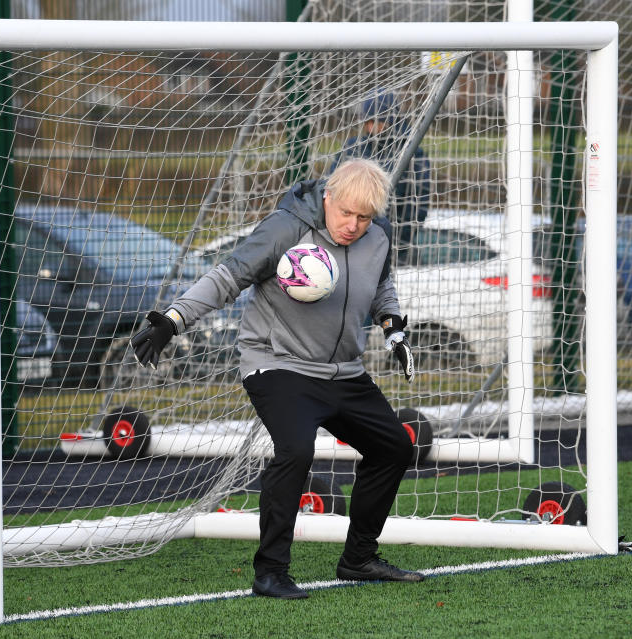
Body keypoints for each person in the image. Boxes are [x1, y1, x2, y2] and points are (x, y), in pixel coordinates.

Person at [130, 158, 423, 600]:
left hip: (344, 372)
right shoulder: (285, 229)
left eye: (364, 217)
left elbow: (382, 287)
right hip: (277, 363)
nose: (353, 225)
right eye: (346, 213)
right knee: (296, 450)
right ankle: (270, 573)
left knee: (394, 446)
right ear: (328, 197)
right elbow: (227, 277)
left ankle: (359, 558)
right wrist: (173, 320)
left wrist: (393, 329)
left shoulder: (377, 237)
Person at [333, 88, 431, 264]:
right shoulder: (352, 148)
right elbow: (331, 188)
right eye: (369, 121)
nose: (373, 127)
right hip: (347, 242)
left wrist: (397, 243)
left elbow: (417, 206)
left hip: (390, 247)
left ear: (392, 120)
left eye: (379, 121)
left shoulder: (411, 153)